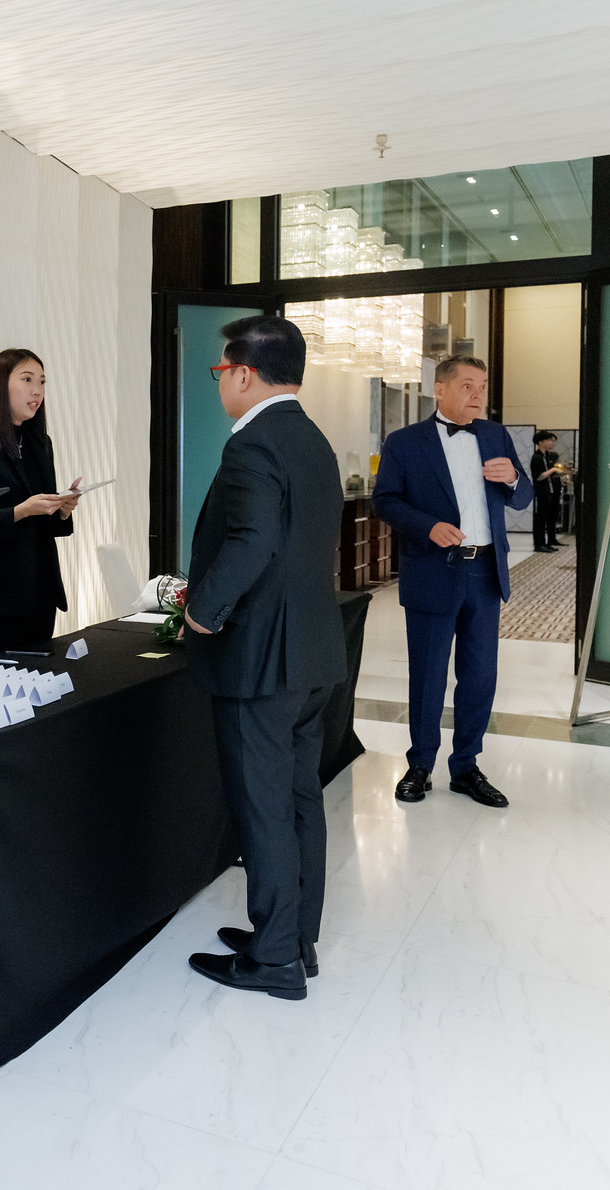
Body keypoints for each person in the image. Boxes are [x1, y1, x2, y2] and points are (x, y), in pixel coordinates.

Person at [181, 316, 347, 1002]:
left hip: (261, 660)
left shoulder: (252, 444)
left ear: (244, 374)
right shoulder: (312, 440)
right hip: (313, 653)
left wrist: (200, 611)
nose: (222, 384)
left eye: (222, 372)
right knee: (301, 799)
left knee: (265, 808)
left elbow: (250, 543)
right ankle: (295, 938)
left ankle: (274, 957)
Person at [371, 355, 531, 809]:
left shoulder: (496, 435)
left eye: (482, 386)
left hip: (484, 572)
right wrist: (426, 526)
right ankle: (419, 764)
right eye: (466, 385)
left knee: (479, 674)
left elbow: (521, 498)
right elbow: (385, 501)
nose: (477, 395)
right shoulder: (404, 442)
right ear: (438, 390)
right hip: (432, 569)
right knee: (428, 673)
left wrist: (515, 477)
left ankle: (466, 767)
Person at [0, 349, 81, 657]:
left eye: (42, 382)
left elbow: (44, 522)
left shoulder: (40, 442)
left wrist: (62, 509)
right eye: (27, 379)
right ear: (0, 385)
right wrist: (20, 512)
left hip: (40, 592)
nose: (37, 390)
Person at [530, 430, 564, 552]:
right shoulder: (537, 458)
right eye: (548, 440)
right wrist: (553, 470)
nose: (551, 443)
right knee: (541, 518)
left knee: (551, 516)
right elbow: (539, 476)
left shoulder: (548, 456)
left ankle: (549, 540)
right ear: (541, 442)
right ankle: (539, 544)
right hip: (542, 492)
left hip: (551, 490)